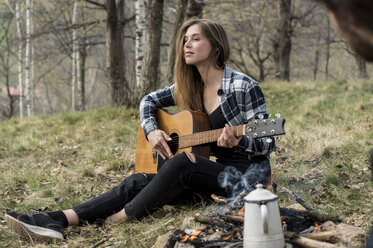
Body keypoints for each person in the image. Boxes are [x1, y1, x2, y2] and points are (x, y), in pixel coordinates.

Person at [4, 18, 275, 242]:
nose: (186, 45)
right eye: (184, 40)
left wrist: (239, 142)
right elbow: (149, 101)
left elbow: (268, 140)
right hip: (209, 179)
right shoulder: (188, 86)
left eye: (195, 38)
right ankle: (54, 220)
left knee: (184, 162)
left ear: (216, 46)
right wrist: (153, 132)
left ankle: (123, 216)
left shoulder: (243, 86)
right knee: (137, 181)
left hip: (246, 180)